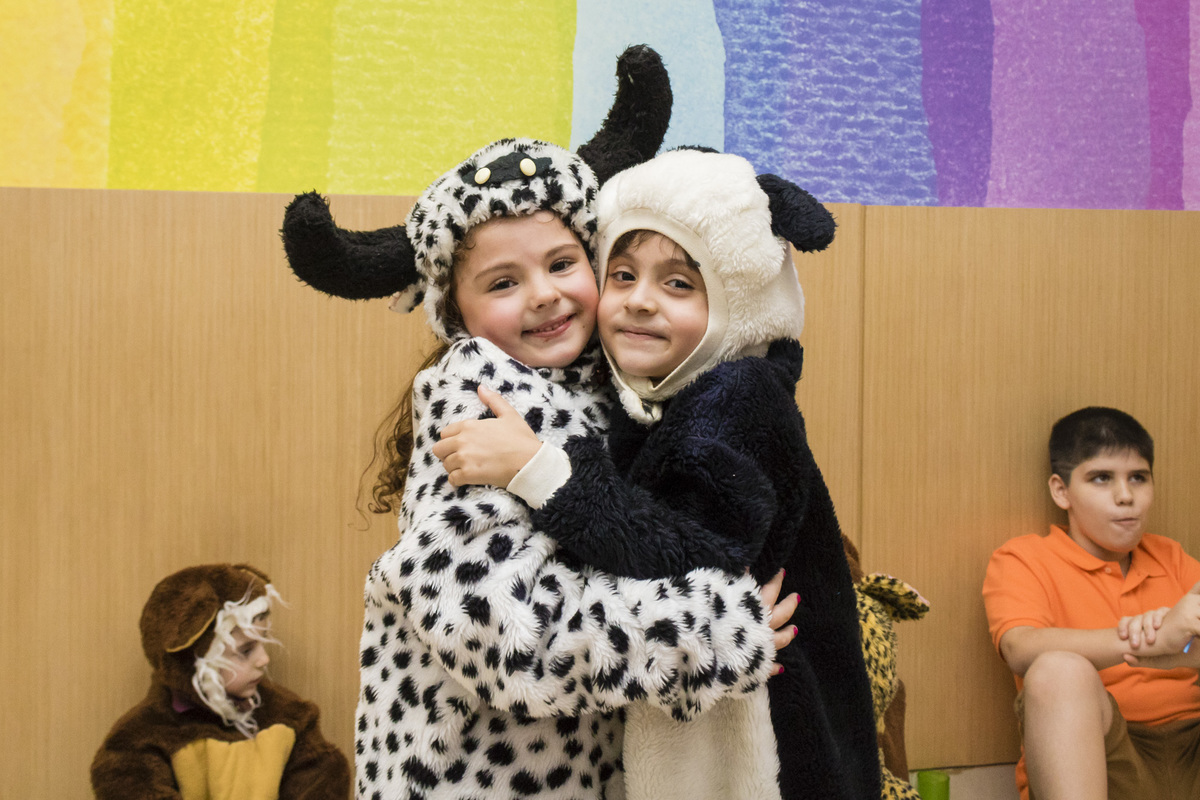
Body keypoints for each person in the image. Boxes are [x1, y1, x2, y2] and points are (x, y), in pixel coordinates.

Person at [280, 48, 797, 800]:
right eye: (502, 282)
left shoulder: (600, 385)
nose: (545, 297)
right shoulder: (478, 402)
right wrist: (713, 630)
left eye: (562, 263)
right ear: (455, 312)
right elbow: (509, 639)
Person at [432, 148, 880, 800]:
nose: (640, 302)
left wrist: (541, 471)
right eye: (621, 274)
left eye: (679, 284)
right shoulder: (652, 395)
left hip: (775, 746)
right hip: (706, 716)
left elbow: (682, 550)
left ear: (737, 300)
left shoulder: (740, 395)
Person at [983, 407, 1200, 800]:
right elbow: (1020, 648)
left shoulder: (1173, 559)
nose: (1125, 496)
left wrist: (1181, 650)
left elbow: (1189, 644)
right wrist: (1152, 642)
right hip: (1105, 758)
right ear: (1061, 491)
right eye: (1102, 478)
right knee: (1056, 670)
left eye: (1139, 477)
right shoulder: (1024, 559)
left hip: (1191, 744)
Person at [90, 563, 350, 799]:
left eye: (262, 642)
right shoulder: (142, 738)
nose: (264, 659)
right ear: (194, 661)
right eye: (246, 650)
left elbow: (321, 778)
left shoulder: (290, 719)